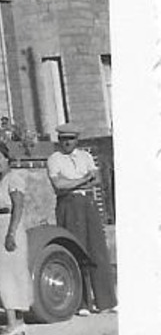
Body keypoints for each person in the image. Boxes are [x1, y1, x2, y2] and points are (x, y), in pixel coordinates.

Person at [47, 123, 116, 314]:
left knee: (97, 249)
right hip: (68, 204)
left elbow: (98, 179)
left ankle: (106, 301)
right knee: (77, 250)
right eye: (63, 139)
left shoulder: (85, 156)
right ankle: (83, 303)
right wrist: (83, 179)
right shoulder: (54, 159)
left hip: (88, 203)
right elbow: (59, 185)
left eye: (70, 139)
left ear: (76, 140)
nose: (67, 143)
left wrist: (74, 182)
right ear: (59, 140)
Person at [0, 142, 33, 335]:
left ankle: (12, 323)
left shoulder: (14, 178)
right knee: (10, 274)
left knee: (6, 275)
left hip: (8, 228)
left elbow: (18, 207)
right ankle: (18, 323)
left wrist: (11, 233)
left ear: (7, 158)